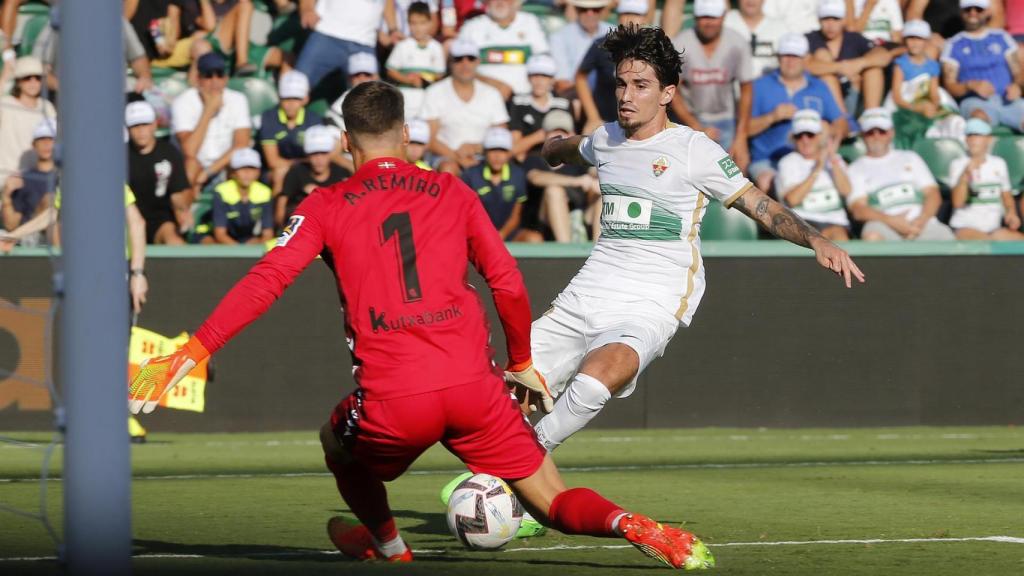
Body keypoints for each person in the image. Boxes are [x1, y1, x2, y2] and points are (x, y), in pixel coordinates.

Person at [126, 80, 715, 571]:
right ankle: (634, 525)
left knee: (335, 441)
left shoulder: (325, 205)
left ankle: (390, 548)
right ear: (407, 134)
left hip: (396, 399)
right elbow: (507, 283)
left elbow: (267, 281)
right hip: (475, 390)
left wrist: (192, 350)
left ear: (345, 141)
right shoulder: (451, 190)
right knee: (552, 501)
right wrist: (519, 362)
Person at [483, 24, 862, 464]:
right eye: (621, 84)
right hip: (586, 293)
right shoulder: (607, 139)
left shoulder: (693, 149)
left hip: (652, 298)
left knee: (599, 376)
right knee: (496, 397)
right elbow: (574, 148)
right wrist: (554, 149)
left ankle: (525, 460)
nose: (626, 95)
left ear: (667, 93)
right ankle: (507, 480)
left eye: (640, 85)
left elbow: (759, 205)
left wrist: (815, 239)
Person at [746, 33, 847, 194]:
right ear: (778, 57)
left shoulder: (819, 86)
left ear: (806, 58)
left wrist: (828, 131)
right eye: (786, 55)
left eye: (796, 56)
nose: (790, 61)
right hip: (769, 159)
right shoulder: (759, 86)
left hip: (808, 157)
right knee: (767, 183)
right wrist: (772, 117)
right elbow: (744, 129)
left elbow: (841, 123)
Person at [847, 108, 956, 241]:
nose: (876, 136)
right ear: (862, 135)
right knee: (872, 237)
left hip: (921, 223)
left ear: (891, 133)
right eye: (870, 132)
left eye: (882, 131)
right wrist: (891, 221)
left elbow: (932, 194)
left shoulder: (910, 157)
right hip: (884, 225)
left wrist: (921, 220)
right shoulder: (855, 169)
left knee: (946, 237)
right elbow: (858, 209)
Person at [671, 0, 755, 153]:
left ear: (723, 17)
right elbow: (672, 90)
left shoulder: (737, 43)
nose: (709, 22)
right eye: (704, 17)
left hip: (727, 118)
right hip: (689, 118)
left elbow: (747, 89)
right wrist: (696, 127)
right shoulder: (681, 43)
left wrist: (741, 137)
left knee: (731, 165)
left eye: (713, 17)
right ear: (695, 17)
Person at [420, 39, 509, 174]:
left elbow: (501, 135)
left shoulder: (492, 94)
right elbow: (430, 139)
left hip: (483, 155)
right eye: (458, 59)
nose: (465, 64)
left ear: (477, 62)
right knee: (448, 169)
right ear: (450, 62)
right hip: (445, 156)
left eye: (470, 58)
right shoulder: (434, 92)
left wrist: (476, 148)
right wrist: (457, 158)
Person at [172, 52, 251, 190]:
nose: (215, 81)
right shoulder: (182, 102)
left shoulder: (238, 100)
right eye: (208, 75)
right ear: (198, 79)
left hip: (224, 166)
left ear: (226, 78)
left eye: (219, 74)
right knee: (191, 165)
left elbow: (241, 144)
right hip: (195, 167)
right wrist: (208, 110)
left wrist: (208, 172)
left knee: (243, 166)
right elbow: (189, 151)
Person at [941, 0, 1024, 132]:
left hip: (1008, 99)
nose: (973, 13)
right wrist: (970, 86)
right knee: (978, 121)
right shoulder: (953, 45)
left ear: (987, 12)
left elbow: (1018, 72)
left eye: (978, 9)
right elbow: (950, 85)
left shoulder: (1002, 37)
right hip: (975, 102)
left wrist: (1017, 86)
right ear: (961, 12)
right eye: (968, 9)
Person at [523, 109, 602, 242]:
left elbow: (594, 172)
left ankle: (598, 247)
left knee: (601, 194)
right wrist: (577, 181)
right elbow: (535, 177)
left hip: (581, 218)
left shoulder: (580, 160)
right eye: (554, 132)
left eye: (564, 132)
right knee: (554, 191)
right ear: (545, 136)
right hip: (545, 224)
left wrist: (596, 182)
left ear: (571, 135)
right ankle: (565, 248)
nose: (559, 136)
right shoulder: (534, 158)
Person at [805, 0, 895, 114]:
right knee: (823, 60)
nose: (830, 25)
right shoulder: (810, 39)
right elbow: (804, 66)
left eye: (836, 19)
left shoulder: (853, 38)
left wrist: (860, 63)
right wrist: (840, 68)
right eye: (826, 19)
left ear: (843, 20)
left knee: (873, 70)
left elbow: (883, 56)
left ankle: (872, 115)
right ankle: (841, 118)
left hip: (854, 91)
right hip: (822, 97)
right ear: (819, 20)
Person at [774, 109, 852, 240]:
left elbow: (846, 191)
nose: (805, 140)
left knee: (837, 234)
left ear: (820, 136)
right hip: (803, 222)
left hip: (836, 222)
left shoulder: (835, 160)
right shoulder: (788, 162)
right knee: (820, 237)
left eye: (810, 135)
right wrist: (818, 168)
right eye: (799, 136)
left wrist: (832, 159)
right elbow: (792, 200)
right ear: (793, 138)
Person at [576, 0, 650, 134]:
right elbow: (581, 77)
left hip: (642, 121)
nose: (630, 19)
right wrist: (593, 117)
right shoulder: (603, 44)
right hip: (606, 121)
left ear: (645, 18)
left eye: (636, 14)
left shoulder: (654, 48)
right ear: (618, 17)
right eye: (626, 13)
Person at [888, 20, 963, 145]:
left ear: (926, 41)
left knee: (952, 120)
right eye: (911, 38)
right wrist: (917, 108)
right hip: (908, 106)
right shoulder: (900, 64)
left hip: (926, 102)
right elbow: (897, 96)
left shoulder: (932, 65)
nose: (914, 43)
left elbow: (934, 92)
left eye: (919, 39)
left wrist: (933, 106)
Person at [296, 0, 397, 92]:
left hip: (365, 42)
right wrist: (307, 9)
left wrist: (393, 29)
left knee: (371, 95)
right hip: (326, 33)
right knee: (296, 88)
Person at [127, 101, 192, 245]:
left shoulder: (169, 153)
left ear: (154, 125)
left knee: (174, 242)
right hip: (127, 218)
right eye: (135, 126)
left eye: (145, 124)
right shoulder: (120, 155)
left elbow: (178, 191)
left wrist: (181, 210)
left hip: (160, 219)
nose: (140, 130)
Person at [456, 0, 549, 98]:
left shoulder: (530, 22)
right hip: (484, 97)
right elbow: (457, 67)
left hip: (525, 97)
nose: (500, 2)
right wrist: (491, 83)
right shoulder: (472, 27)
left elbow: (544, 62)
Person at [948, 118, 1023, 239]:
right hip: (965, 226)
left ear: (989, 139)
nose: (973, 140)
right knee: (984, 243)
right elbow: (957, 202)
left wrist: (1011, 213)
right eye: (970, 135)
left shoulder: (998, 163)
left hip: (993, 229)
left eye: (978, 135)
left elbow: (1006, 195)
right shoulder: (958, 164)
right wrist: (965, 175)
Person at [259, 71, 324, 196]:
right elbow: (272, 161)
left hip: (308, 168)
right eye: (286, 98)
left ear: (305, 99)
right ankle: (277, 207)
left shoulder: (314, 120)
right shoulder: (269, 118)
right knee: (280, 172)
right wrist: (299, 164)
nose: (290, 104)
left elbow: (319, 156)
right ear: (279, 98)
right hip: (275, 171)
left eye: (296, 98)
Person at [460, 127, 528, 240]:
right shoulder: (470, 175)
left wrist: (502, 234)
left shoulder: (518, 175)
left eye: (502, 150)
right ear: (485, 152)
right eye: (492, 150)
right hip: (479, 235)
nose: (497, 155)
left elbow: (516, 216)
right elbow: (466, 214)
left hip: (508, 233)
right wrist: (488, 237)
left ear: (509, 153)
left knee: (534, 238)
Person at [0, 56, 56, 190]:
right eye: (27, 78)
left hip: (39, 181)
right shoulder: (6, 104)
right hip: (8, 180)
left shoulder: (47, 107)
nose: (33, 82)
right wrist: (5, 76)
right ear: (18, 81)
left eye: (38, 78)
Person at [278, 125, 351, 227]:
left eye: (323, 153)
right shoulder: (296, 172)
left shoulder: (341, 173)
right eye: (314, 154)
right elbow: (282, 203)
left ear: (330, 153)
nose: (319, 159)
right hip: (303, 227)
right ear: (307, 155)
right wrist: (281, 227)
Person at [385, 1, 446, 121]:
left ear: (430, 23)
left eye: (422, 23)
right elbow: (391, 71)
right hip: (406, 100)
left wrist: (425, 80)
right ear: (408, 23)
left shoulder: (436, 47)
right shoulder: (402, 46)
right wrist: (408, 80)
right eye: (413, 23)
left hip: (427, 100)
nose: (418, 28)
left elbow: (439, 75)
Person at [509, 54, 573, 162]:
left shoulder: (563, 104)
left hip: (557, 160)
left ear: (552, 79)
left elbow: (571, 138)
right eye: (535, 76)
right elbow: (514, 149)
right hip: (529, 161)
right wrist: (542, 135)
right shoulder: (518, 103)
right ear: (528, 78)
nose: (539, 81)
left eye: (544, 76)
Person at [1, 119, 57, 243]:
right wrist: (6, 196)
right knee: (50, 200)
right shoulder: (22, 179)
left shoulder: (69, 178)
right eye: (41, 139)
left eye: (51, 139)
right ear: (33, 145)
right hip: (30, 236)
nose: (46, 143)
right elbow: (11, 225)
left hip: (62, 233)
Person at [206, 148, 274, 244]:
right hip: (221, 239)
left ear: (258, 172)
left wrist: (255, 244)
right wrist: (239, 251)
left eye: (251, 168)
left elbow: (268, 233)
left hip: (247, 239)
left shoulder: (264, 192)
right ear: (233, 172)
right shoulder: (221, 191)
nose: (247, 173)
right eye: (241, 168)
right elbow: (220, 233)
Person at [549, 0, 613, 95]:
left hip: (611, 93)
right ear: (577, 10)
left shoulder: (615, 32)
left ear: (602, 11)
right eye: (584, 9)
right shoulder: (559, 37)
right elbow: (562, 83)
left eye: (595, 9)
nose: (590, 14)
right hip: (574, 95)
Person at [723, 0, 788, 79]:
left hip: (768, 83)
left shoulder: (780, 28)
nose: (751, 1)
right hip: (729, 83)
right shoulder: (724, 22)